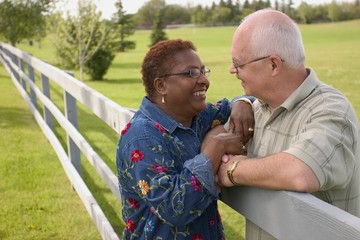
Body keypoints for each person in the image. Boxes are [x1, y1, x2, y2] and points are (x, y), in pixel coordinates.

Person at [217, 9, 360, 239]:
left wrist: (233, 170)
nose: (232, 70)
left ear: (273, 65)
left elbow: (301, 171)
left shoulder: (332, 110)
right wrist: (241, 101)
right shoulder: (258, 108)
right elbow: (212, 137)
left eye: (238, 63)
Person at [116, 39, 254, 239]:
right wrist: (214, 149)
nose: (204, 80)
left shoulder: (198, 116)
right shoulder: (142, 137)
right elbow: (174, 209)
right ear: (161, 85)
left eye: (203, 71)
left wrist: (242, 102)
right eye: (190, 73)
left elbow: (233, 104)